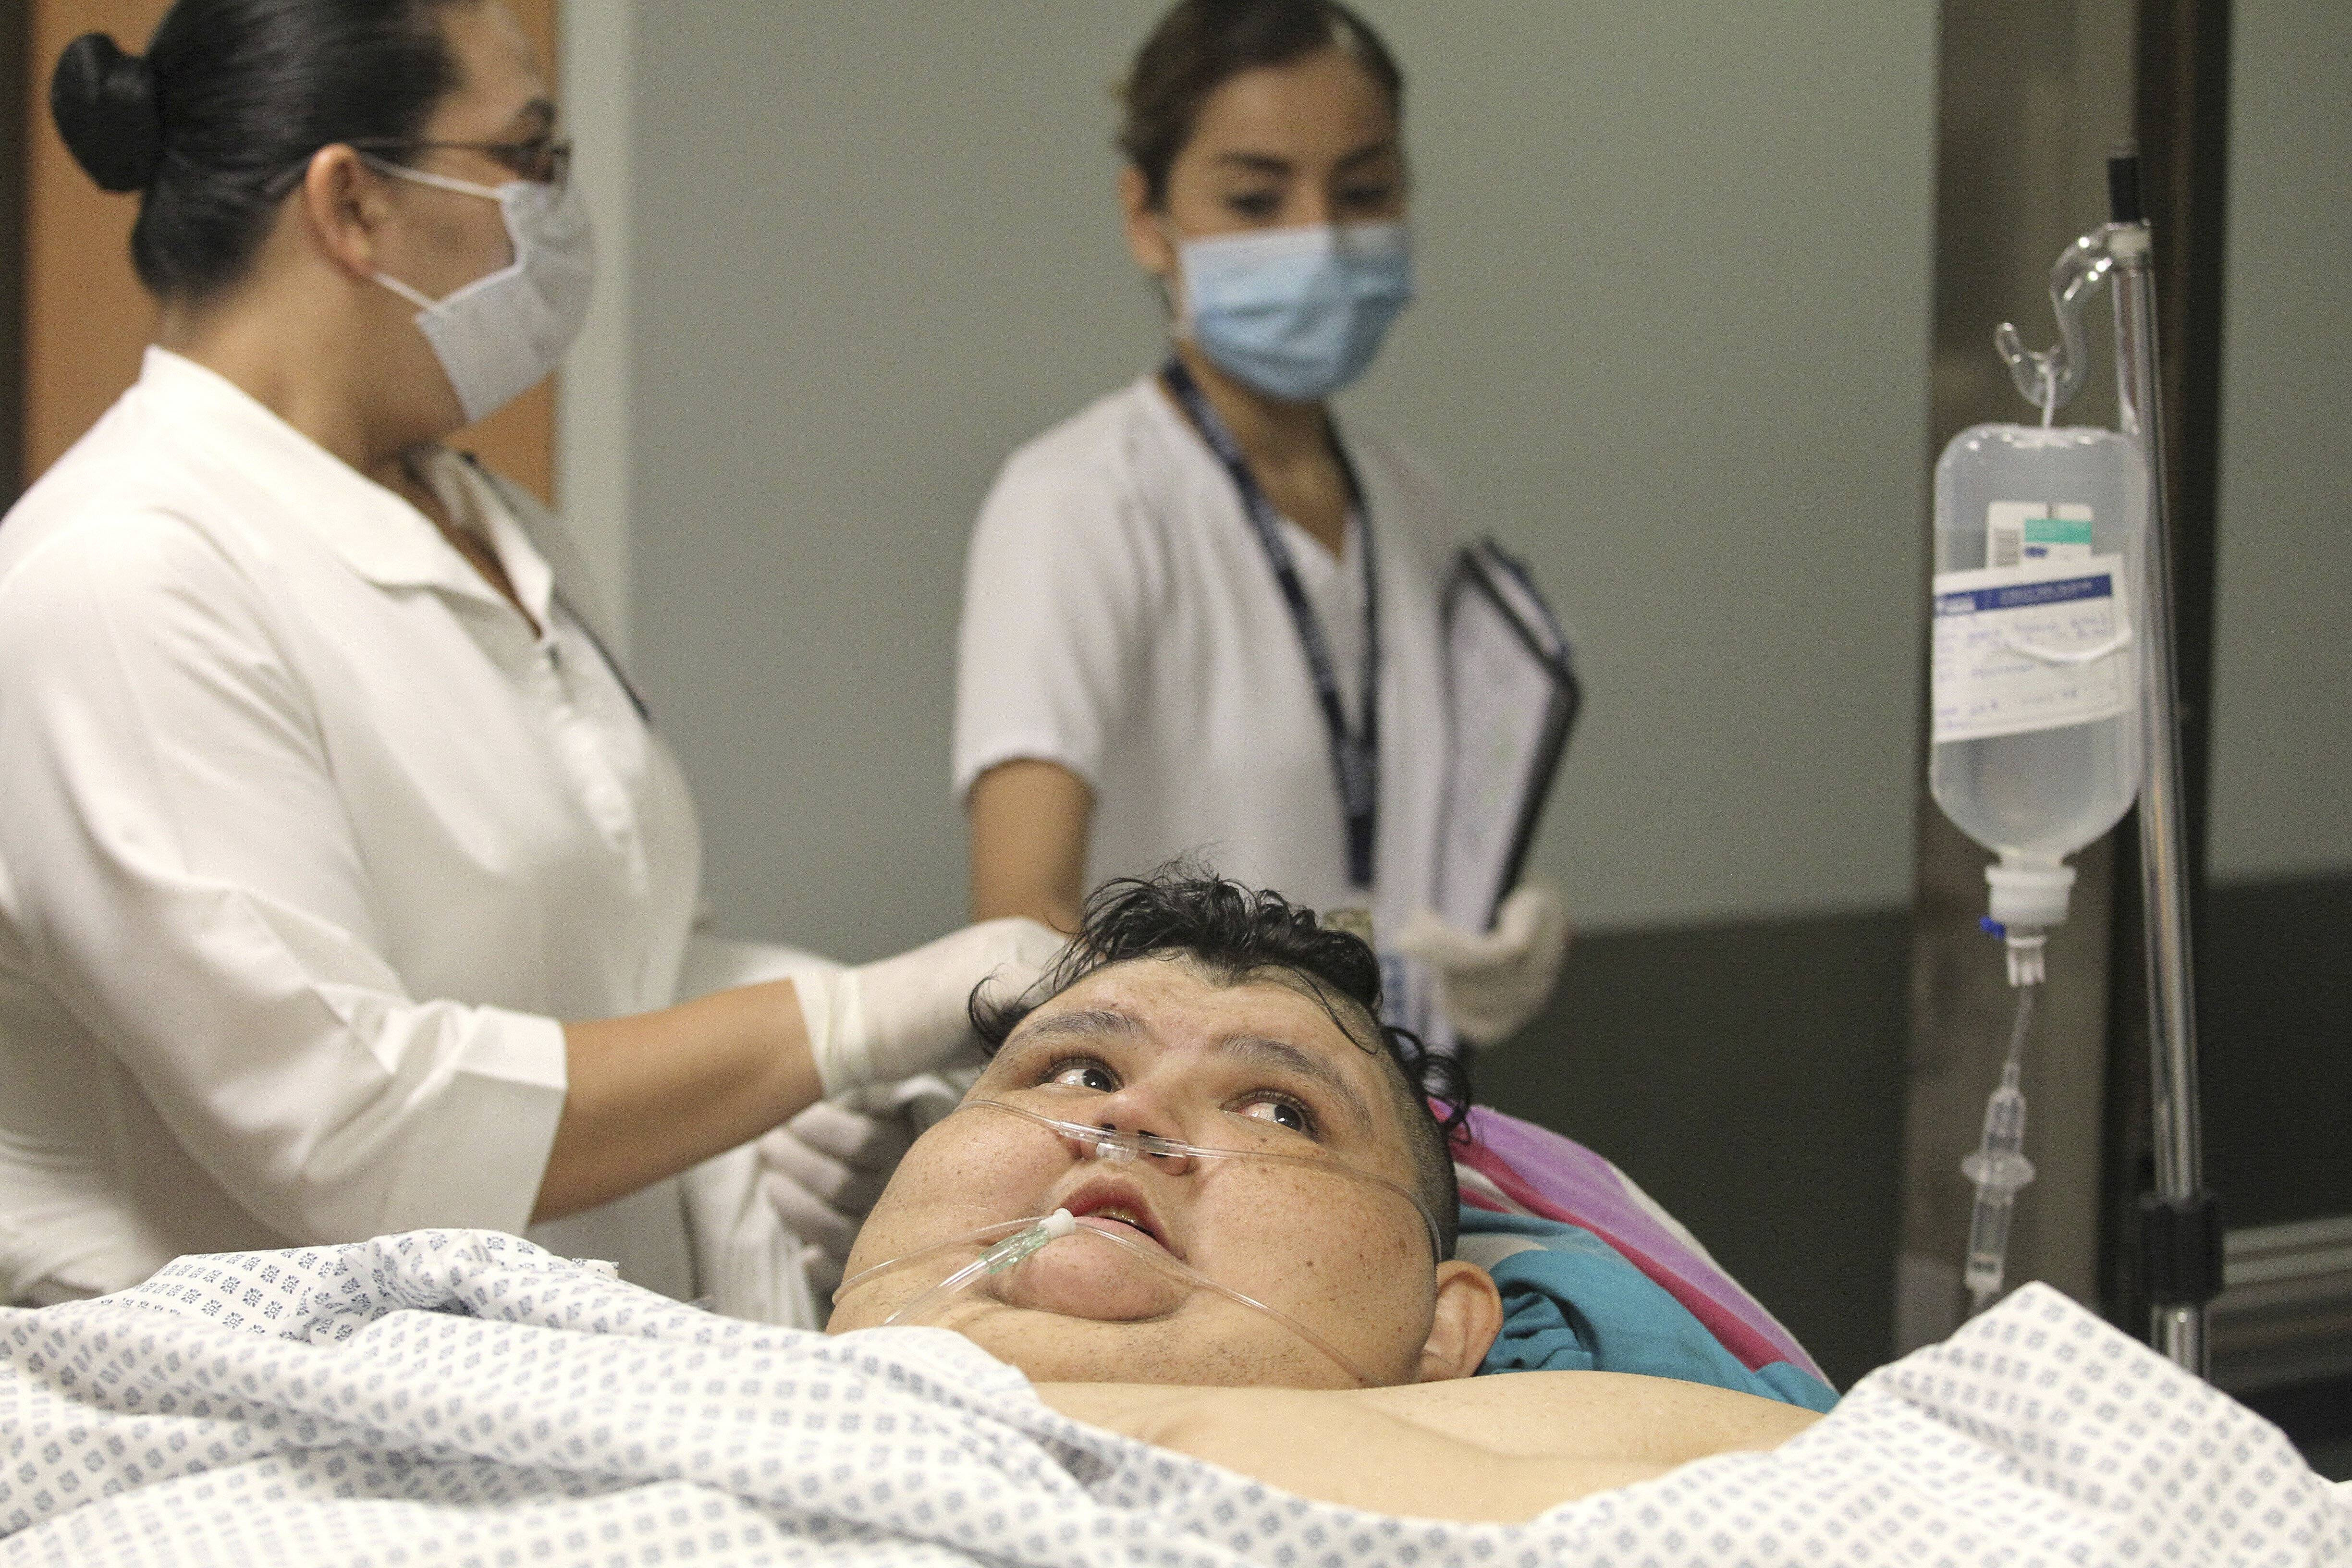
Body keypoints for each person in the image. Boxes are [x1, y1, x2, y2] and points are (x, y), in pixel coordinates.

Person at [0, 0, 1057, 1310]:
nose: (560, 208)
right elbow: (352, 1130)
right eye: (528, 158)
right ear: (353, 205)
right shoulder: (121, 580)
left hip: (563, 1363)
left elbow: (619, 956)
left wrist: (826, 1070)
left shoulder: (490, 525)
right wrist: (847, 1024)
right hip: (258, 1406)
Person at [955, 0, 1569, 1055]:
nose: (1318, 240)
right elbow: (1021, 922)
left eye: (1363, 192)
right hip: (1183, 1119)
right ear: (1147, 216)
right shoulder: (1080, 501)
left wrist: (1492, 928)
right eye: (1255, 198)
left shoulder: (1410, 500)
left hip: (1397, 1102)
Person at [828, 870, 1816, 1518]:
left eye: (1279, 1111)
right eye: (1079, 1072)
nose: (1135, 1113)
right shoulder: (724, 1383)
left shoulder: (1672, 1501)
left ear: (1443, 1331)